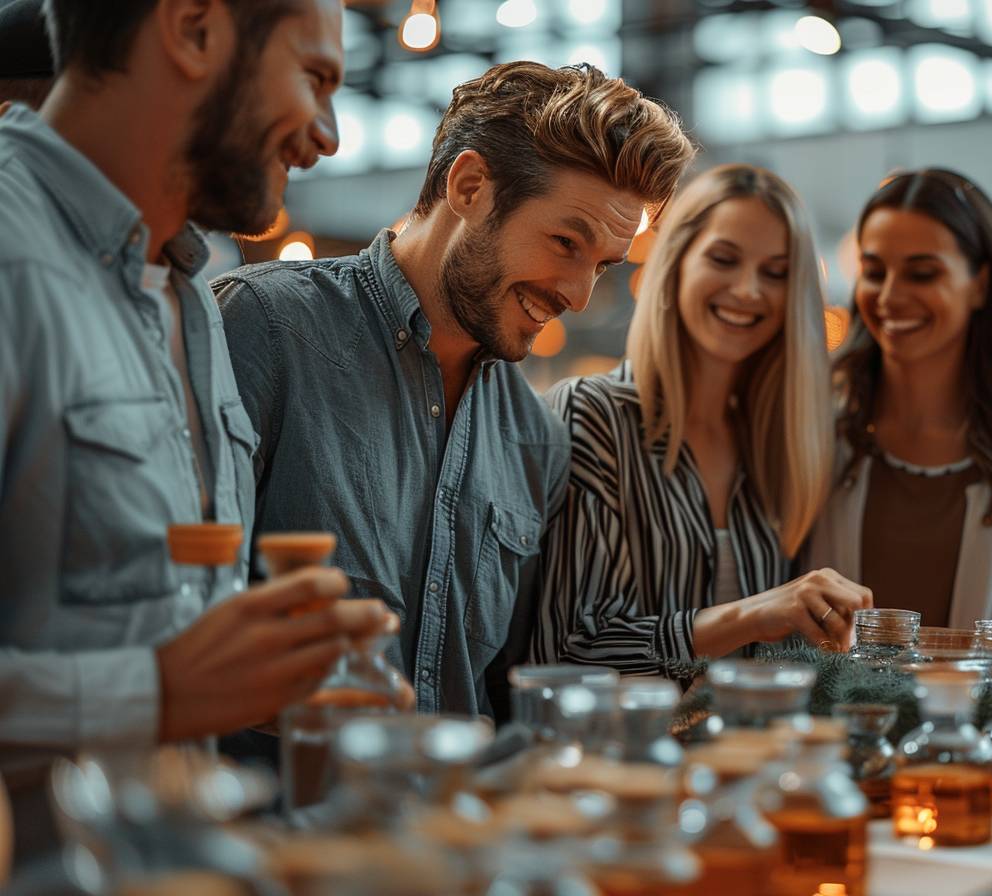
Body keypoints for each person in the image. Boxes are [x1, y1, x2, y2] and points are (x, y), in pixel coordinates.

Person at [0, 0, 396, 865]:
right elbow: (153, 686)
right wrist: (154, 691)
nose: (327, 135)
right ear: (192, 28)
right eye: (316, 77)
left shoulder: (193, 299)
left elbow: (150, 638)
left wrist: (279, 674)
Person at [215, 61, 696, 716]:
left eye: (603, 266)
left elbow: (506, 697)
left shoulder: (536, 439)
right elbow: (181, 626)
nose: (580, 296)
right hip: (276, 811)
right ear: (469, 186)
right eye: (564, 242)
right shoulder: (263, 329)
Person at [531, 164, 873, 676]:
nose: (748, 290)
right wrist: (755, 614)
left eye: (776, 273)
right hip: (624, 753)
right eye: (724, 259)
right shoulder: (594, 414)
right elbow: (569, 651)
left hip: (754, 752)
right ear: (676, 264)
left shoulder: (782, 446)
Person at [806, 168, 992, 627]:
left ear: (979, 283)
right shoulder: (823, 439)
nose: (890, 296)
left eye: (922, 273)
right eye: (874, 272)